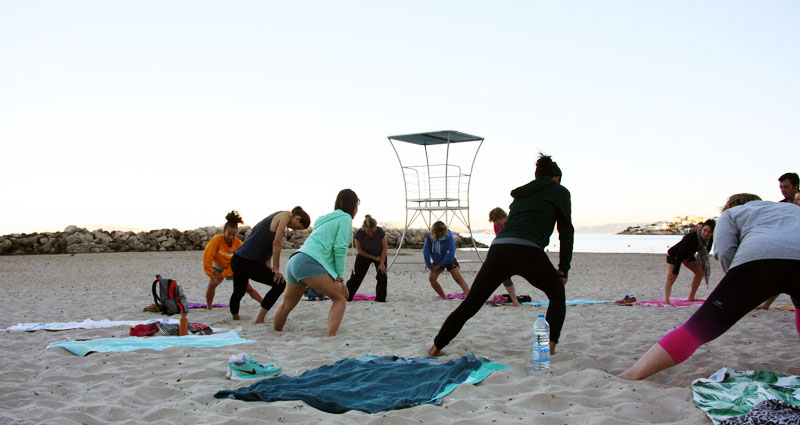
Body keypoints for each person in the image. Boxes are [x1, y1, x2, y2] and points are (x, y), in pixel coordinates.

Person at [620, 194, 800, 380]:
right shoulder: (793, 209)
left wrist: (737, 282)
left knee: (698, 328)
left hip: (757, 261)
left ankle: (631, 375)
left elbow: (724, 250)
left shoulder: (731, 214)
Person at [428, 153, 573, 357]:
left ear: (537, 176)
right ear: (556, 178)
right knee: (557, 294)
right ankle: (548, 348)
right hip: (529, 250)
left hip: (499, 249)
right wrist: (563, 268)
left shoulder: (521, 195)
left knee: (472, 302)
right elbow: (566, 230)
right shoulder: (559, 191)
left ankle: (436, 347)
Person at [273, 189, 359, 336]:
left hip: (295, 259)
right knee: (340, 298)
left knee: (286, 305)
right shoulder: (345, 218)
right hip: (309, 262)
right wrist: (340, 277)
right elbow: (340, 248)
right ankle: (331, 337)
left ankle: (275, 334)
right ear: (353, 206)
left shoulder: (322, 219)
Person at [229, 207, 311, 322]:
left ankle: (235, 318)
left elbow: (265, 243)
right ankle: (259, 319)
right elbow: (276, 242)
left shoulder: (272, 219)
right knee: (280, 284)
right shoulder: (286, 215)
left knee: (239, 291)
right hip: (246, 261)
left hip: (238, 259)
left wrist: (269, 267)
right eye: (297, 227)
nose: (294, 230)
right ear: (297, 218)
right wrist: (276, 269)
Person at [202, 211, 262, 310]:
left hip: (234, 267)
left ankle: (264, 303)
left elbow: (240, 262)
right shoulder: (217, 240)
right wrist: (211, 273)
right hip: (219, 266)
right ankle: (209, 306)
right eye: (229, 234)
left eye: (233, 235)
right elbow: (208, 256)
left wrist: (225, 273)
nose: (231, 237)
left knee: (248, 288)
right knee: (212, 284)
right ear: (224, 231)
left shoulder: (239, 244)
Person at [663, 219, 716, 305]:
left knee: (700, 273)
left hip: (688, 256)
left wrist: (699, 261)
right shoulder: (692, 237)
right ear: (701, 229)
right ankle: (667, 301)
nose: (706, 233)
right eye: (705, 230)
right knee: (671, 277)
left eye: (709, 232)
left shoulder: (710, 239)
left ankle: (691, 297)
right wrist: (674, 272)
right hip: (674, 255)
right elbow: (679, 256)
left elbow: (706, 250)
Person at [423, 221, 471, 299]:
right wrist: (429, 265)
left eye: (441, 233)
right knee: (432, 279)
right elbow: (426, 251)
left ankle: (470, 297)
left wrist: (441, 265)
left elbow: (451, 253)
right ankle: (443, 297)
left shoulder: (449, 236)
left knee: (458, 279)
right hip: (437, 260)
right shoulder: (430, 236)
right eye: (438, 233)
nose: (439, 235)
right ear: (434, 232)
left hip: (449, 259)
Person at [346, 214, 388, 302]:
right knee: (357, 276)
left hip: (380, 255)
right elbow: (360, 251)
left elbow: (384, 248)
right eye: (369, 231)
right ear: (364, 228)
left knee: (382, 274)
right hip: (364, 255)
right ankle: (347, 295)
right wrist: (374, 257)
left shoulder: (380, 232)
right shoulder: (359, 234)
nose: (371, 233)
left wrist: (381, 263)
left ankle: (380, 299)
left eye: (373, 231)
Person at [488, 207, 522, 306]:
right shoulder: (496, 225)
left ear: (504, 217)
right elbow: (500, 239)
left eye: (497, 220)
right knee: (504, 276)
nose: (496, 223)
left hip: (518, 250)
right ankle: (515, 301)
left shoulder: (513, 223)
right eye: (494, 221)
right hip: (506, 252)